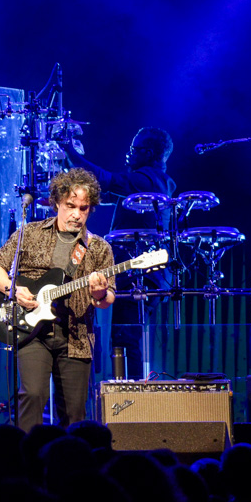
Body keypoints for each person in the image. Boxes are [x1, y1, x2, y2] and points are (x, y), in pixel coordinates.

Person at [0, 168, 115, 432]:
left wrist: (100, 293)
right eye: (70, 206)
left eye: (84, 208)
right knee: (32, 395)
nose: (77, 214)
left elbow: (107, 297)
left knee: (75, 411)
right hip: (31, 330)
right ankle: (25, 461)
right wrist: (13, 289)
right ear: (56, 201)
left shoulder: (99, 247)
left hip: (76, 337)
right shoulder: (30, 233)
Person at [65, 127, 175, 379]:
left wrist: (69, 151)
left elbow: (104, 179)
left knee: (126, 337)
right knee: (123, 336)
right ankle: (126, 395)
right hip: (138, 274)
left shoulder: (147, 179)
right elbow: (106, 192)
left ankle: (132, 399)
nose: (128, 154)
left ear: (147, 153)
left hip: (139, 276)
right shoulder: (151, 181)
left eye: (133, 149)